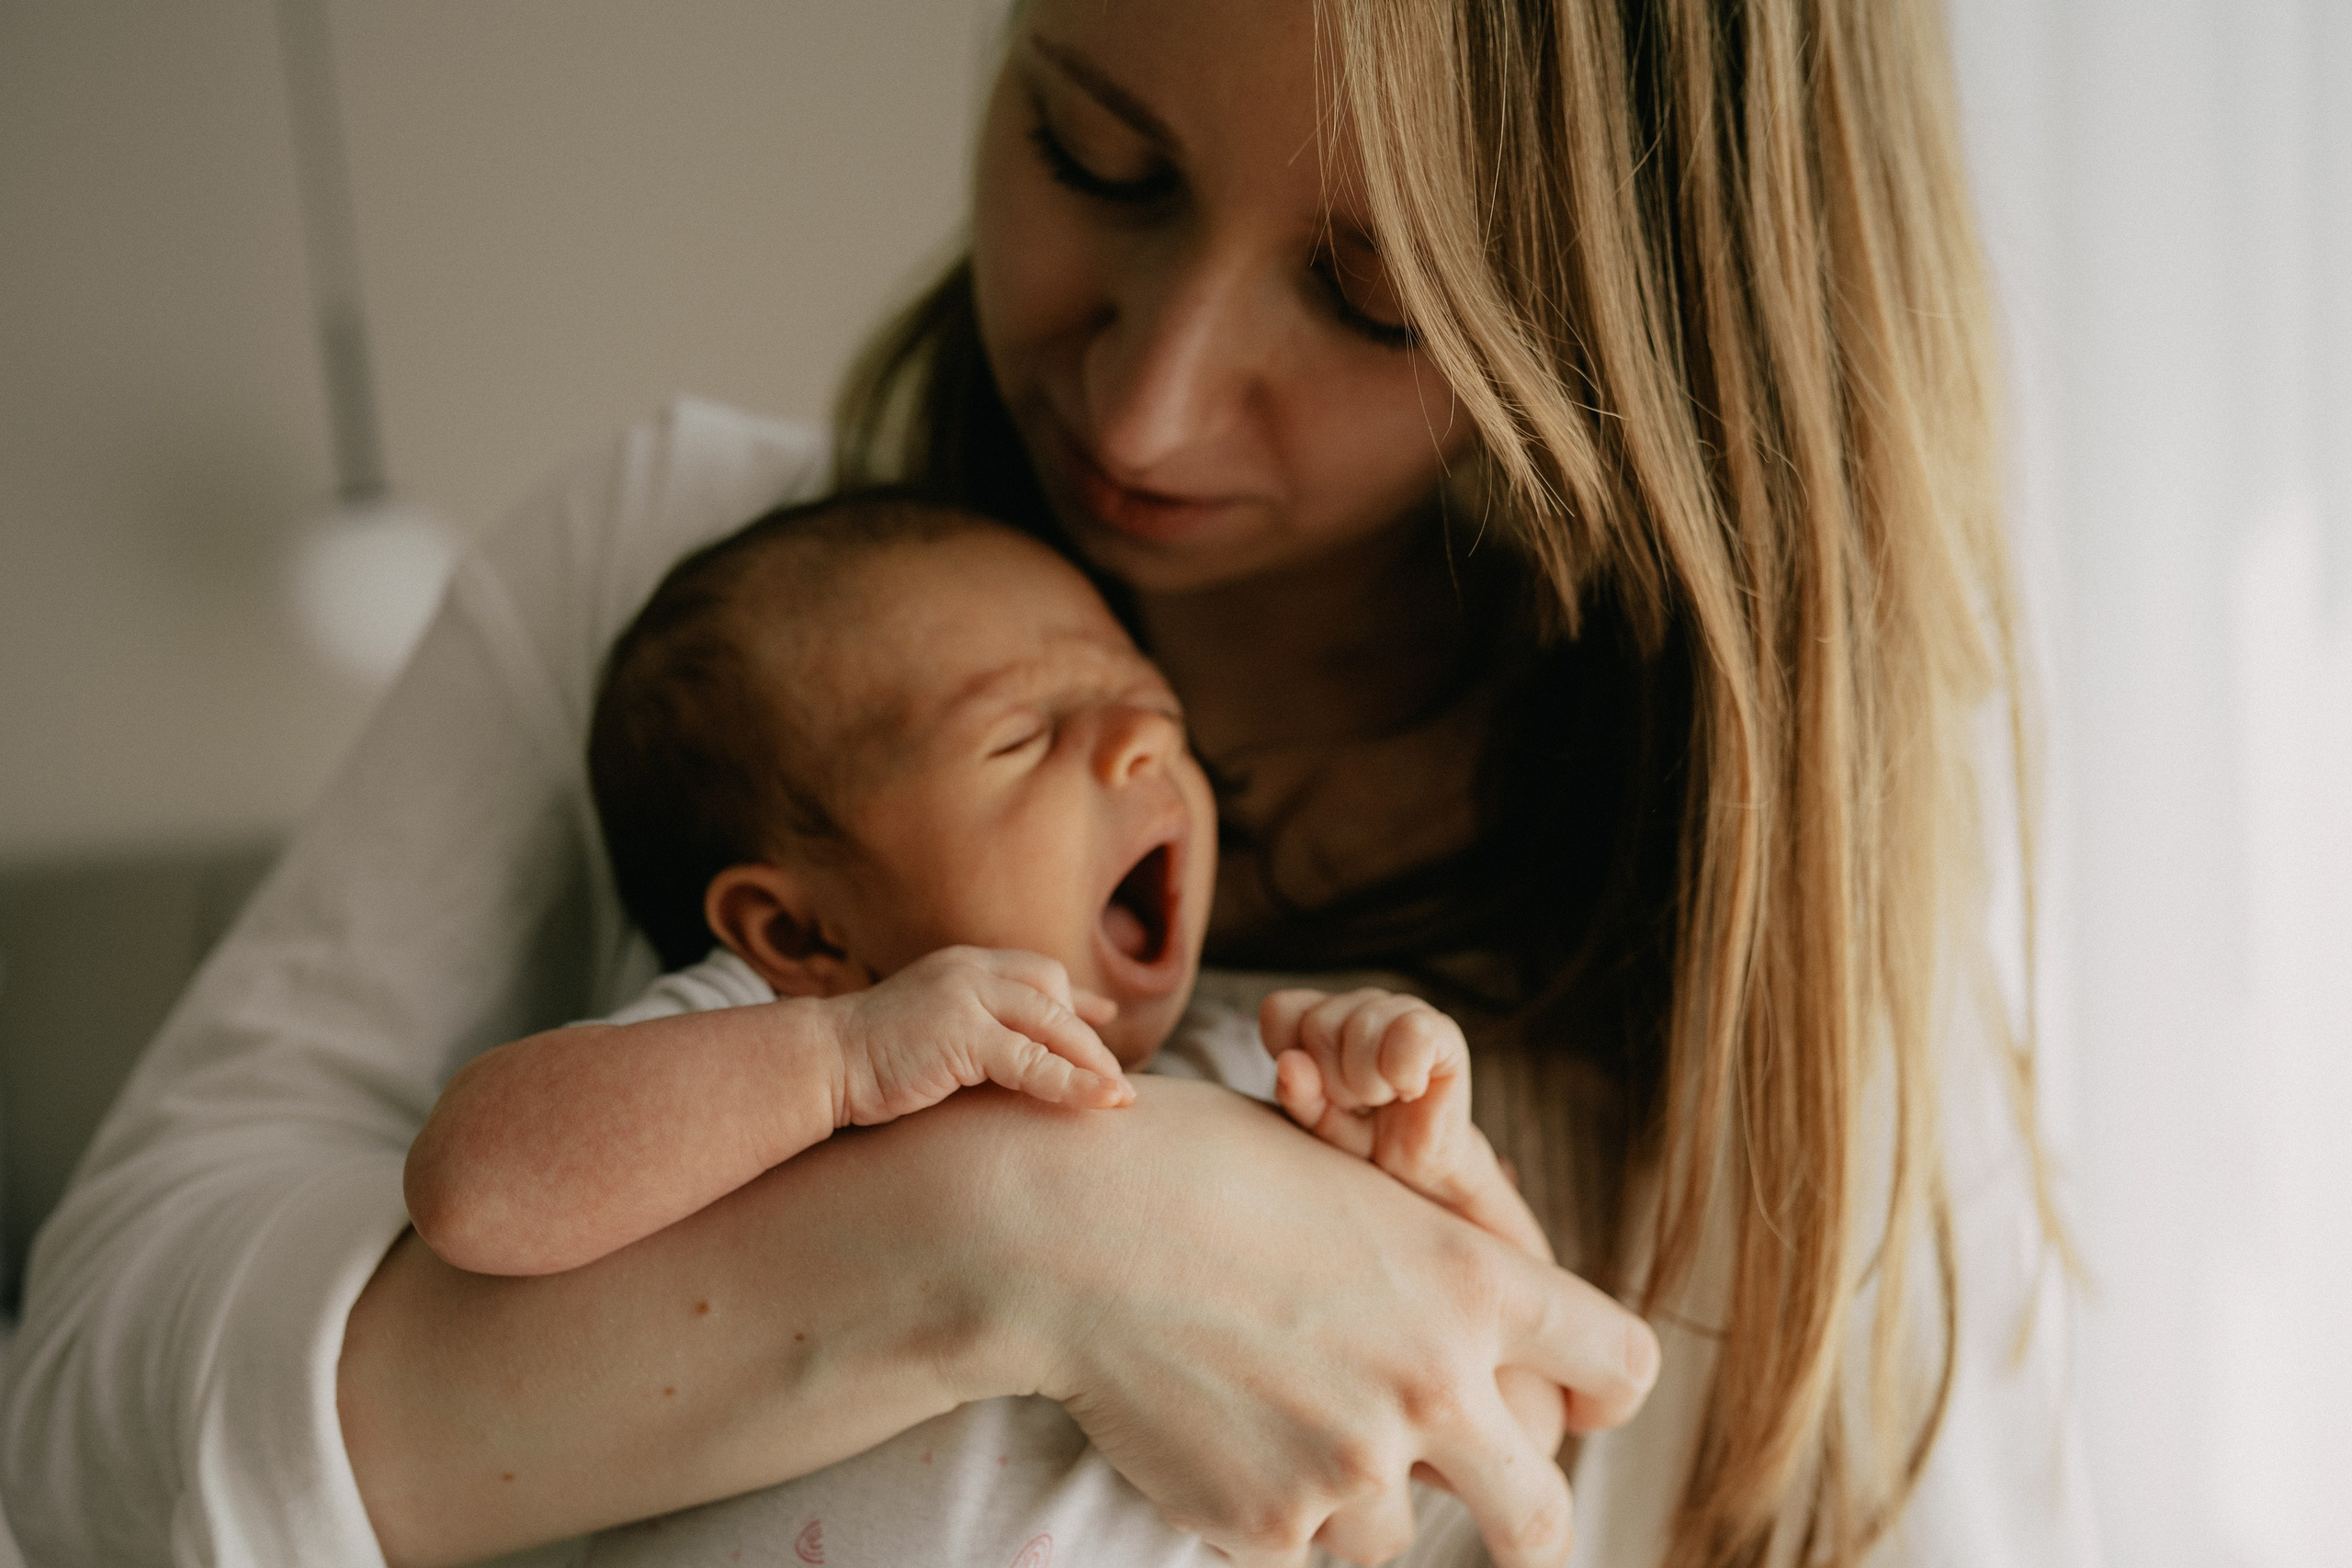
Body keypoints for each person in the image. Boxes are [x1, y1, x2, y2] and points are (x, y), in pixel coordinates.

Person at [0, 3, 2097, 1567]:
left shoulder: (1789, 925)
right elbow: (88, 1433)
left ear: (1650, 341)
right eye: (1094, 155)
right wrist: (1031, 1219)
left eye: (1376, 295)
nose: (1149, 397)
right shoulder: (703, 617)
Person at [402, 491, 1556, 1564]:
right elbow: (474, 1191)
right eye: (1022, 735)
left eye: (1153, 708)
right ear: (800, 931)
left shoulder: (1256, 1071)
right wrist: (842, 1060)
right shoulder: (770, 1039)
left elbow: (1507, 1422)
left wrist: (1424, 1168)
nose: (1139, 746)